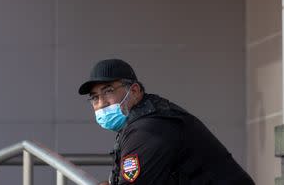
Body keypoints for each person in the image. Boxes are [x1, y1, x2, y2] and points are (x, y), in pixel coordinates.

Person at [78, 58, 255, 185]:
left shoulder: (149, 129)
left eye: (108, 91)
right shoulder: (145, 118)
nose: (101, 103)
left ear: (134, 91)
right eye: (94, 98)